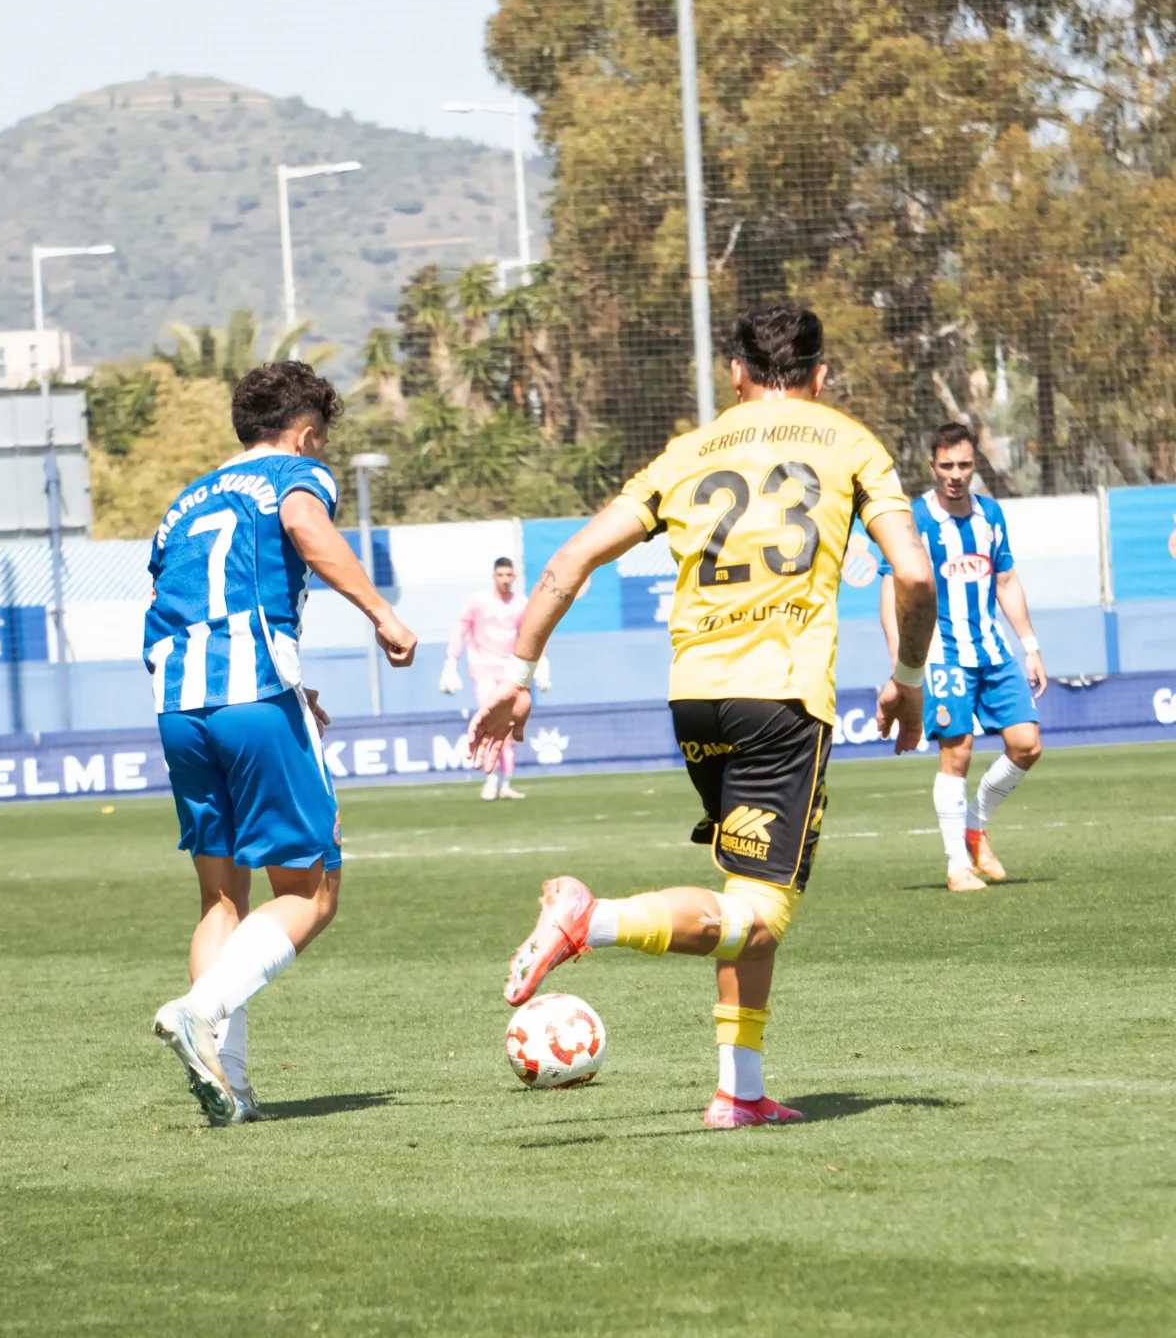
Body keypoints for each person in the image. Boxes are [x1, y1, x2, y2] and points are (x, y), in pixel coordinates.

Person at [469, 303, 936, 1127]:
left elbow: (571, 560)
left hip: (696, 697)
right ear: (820, 376)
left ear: (736, 374)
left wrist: (518, 675)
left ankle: (740, 1092)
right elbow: (915, 576)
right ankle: (593, 920)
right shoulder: (849, 443)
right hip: (783, 698)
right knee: (756, 912)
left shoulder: (687, 454)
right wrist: (907, 676)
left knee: (744, 900)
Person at [146, 359, 416, 1124]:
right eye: (321, 442)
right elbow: (302, 525)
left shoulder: (184, 501)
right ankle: (201, 1010)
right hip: (255, 698)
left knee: (220, 896)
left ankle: (228, 1086)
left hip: (180, 706)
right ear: (304, 434)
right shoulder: (294, 474)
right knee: (310, 892)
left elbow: (197, 602)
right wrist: (383, 615)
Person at [877, 422, 1045, 892]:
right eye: (946, 465)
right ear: (932, 466)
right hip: (943, 654)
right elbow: (892, 590)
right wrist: (903, 665)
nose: (955, 474)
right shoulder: (915, 520)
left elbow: (1006, 581)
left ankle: (975, 824)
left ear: (974, 465)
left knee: (1027, 744)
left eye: (964, 464)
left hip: (993, 650)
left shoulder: (991, 514)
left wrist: (1029, 646)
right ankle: (957, 866)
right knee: (959, 752)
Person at [441, 555, 549, 800]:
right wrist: (450, 662)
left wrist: (542, 662)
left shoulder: (521, 604)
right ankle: (490, 779)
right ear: (494, 576)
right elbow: (461, 630)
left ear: (514, 577)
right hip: (483, 668)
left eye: (509, 575)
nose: (504, 580)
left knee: (509, 729)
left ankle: (506, 783)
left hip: (511, 671)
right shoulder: (478, 602)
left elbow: (533, 634)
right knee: (490, 719)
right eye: (500, 575)